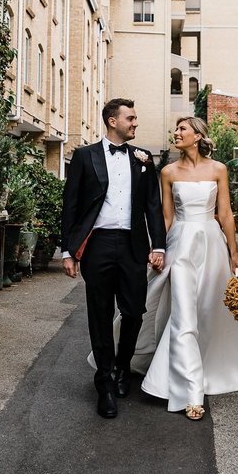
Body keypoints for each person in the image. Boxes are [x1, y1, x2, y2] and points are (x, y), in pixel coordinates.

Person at [132, 116, 238, 420]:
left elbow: (226, 214)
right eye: (176, 129)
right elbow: (166, 217)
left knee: (210, 310)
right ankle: (190, 393)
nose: (176, 133)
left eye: (182, 129)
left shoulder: (218, 170)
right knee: (184, 316)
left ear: (197, 136)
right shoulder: (167, 172)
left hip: (211, 245)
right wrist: (158, 249)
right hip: (180, 246)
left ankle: (214, 365)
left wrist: (235, 253)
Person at [61, 98, 166, 419]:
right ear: (112, 121)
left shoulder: (144, 159)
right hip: (98, 246)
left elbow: (153, 206)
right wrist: (68, 250)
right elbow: (72, 206)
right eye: (130, 118)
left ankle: (123, 369)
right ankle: (104, 383)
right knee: (101, 314)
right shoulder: (84, 156)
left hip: (132, 245)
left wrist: (158, 246)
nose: (135, 123)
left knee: (134, 311)